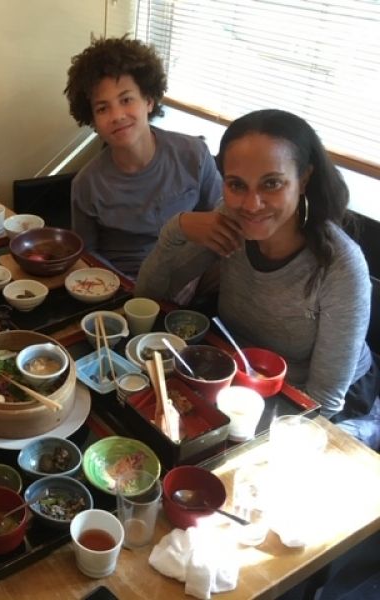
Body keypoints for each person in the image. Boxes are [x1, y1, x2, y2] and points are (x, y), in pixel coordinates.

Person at [136, 109, 378, 432]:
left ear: (303, 179)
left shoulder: (341, 265)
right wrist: (175, 229)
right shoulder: (231, 223)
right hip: (239, 378)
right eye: (236, 185)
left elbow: (325, 400)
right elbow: (148, 297)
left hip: (321, 403)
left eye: (272, 183)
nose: (251, 205)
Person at [64, 36, 240, 280]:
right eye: (103, 108)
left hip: (190, 280)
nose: (117, 116)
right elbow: (88, 255)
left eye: (126, 100)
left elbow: (222, 222)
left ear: (148, 100)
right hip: (121, 288)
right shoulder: (87, 184)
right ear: (93, 120)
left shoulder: (194, 155)